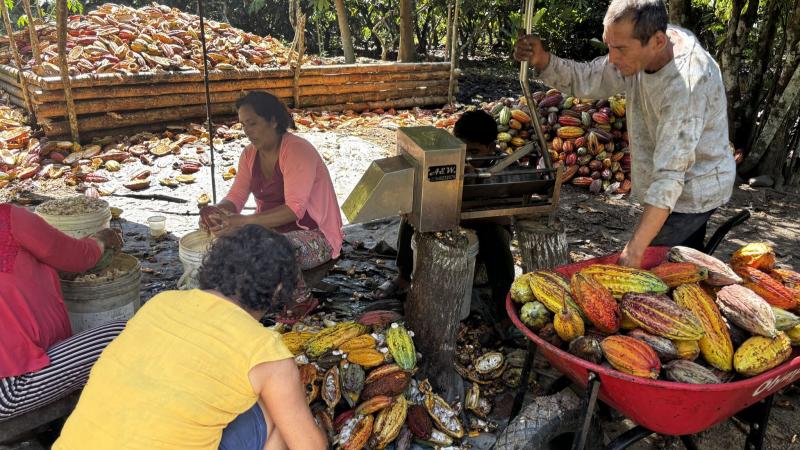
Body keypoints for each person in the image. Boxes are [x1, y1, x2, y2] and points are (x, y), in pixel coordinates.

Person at [53, 225, 328, 450]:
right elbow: (309, 446)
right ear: (279, 288)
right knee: (275, 415)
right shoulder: (265, 352)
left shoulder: (161, 303)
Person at [514, 0, 735, 267]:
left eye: (619, 49)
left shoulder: (686, 84)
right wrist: (543, 60)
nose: (613, 58)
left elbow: (670, 178)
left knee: (653, 265)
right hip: (670, 180)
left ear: (657, 42)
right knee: (674, 262)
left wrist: (634, 250)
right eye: (609, 46)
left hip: (695, 185)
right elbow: (590, 77)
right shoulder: (642, 47)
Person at [199, 91, 344, 320]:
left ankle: (303, 300)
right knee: (228, 244)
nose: (247, 131)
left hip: (316, 235)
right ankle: (238, 299)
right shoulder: (249, 154)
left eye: (253, 123)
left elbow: (294, 209)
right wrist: (217, 212)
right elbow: (236, 197)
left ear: (273, 121)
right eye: (243, 125)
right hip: (271, 230)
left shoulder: (297, 150)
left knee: (272, 245)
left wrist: (244, 222)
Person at [375, 110, 515, 326]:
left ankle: (503, 306)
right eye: (463, 151)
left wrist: (477, 183)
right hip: (446, 214)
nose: (467, 158)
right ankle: (403, 276)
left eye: (475, 152)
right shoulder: (446, 157)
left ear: (491, 147)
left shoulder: (505, 167)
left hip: (487, 221)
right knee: (411, 215)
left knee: (497, 238)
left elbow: (505, 217)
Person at [0, 203, 125, 421]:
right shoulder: (7, 219)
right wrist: (102, 239)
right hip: (8, 391)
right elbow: (77, 256)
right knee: (127, 331)